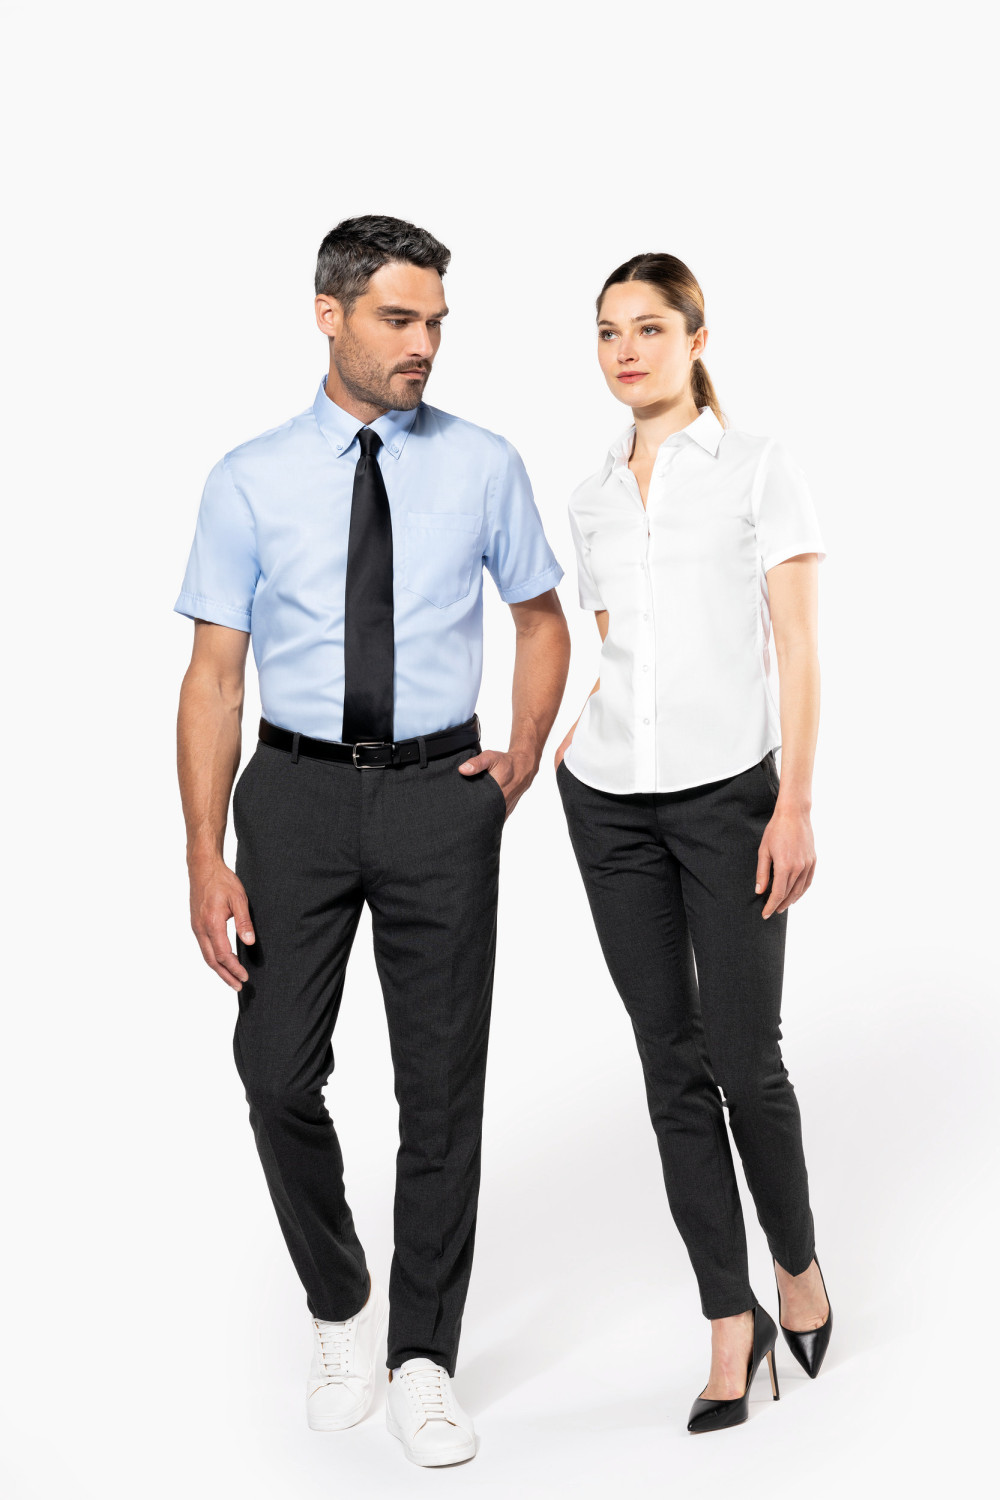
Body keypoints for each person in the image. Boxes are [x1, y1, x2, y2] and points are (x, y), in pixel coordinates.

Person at [175, 214, 569, 1467]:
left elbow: (542, 619)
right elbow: (213, 680)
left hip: (438, 794)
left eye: (436, 322)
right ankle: (341, 1302)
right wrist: (203, 854)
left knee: (440, 1088)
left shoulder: (484, 464)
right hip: (290, 798)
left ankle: (423, 1355)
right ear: (328, 314)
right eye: (399, 320)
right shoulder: (247, 477)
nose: (424, 346)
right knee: (275, 1072)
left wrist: (515, 760)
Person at [554, 253, 833, 1434]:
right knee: (668, 1063)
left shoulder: (757, 467)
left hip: (733, 801)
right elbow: (611, 644)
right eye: (607, 331)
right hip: (609, 803)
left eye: (649, 328)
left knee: (743, 1057)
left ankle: (798, 1267)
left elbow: (796, 647)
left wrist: (793, 803)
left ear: (696, 338)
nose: (626, 350)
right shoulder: (590, 496)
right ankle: (730, 1318)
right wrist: (566, 746)